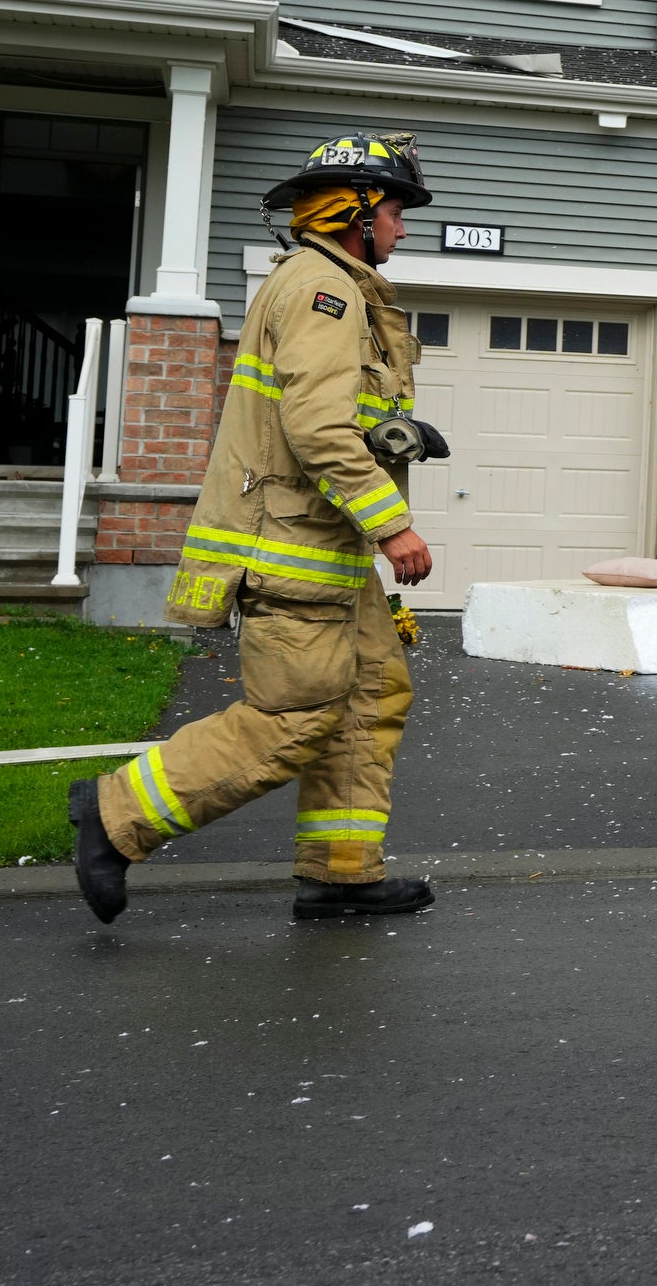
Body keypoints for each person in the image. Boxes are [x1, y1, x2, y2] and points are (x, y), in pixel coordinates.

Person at [69, 133, 438, 924]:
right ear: (356, 214)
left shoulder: (323, 284)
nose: (403, 228)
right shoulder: (323, 290)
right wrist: (393, 526)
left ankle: (341, 873)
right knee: (294, 717)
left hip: (323, 551)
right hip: (294, 550)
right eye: (396, 212)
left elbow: (324, 416)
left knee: (371, 694)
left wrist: (397, 435)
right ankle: (115, 812)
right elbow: (315, 428)